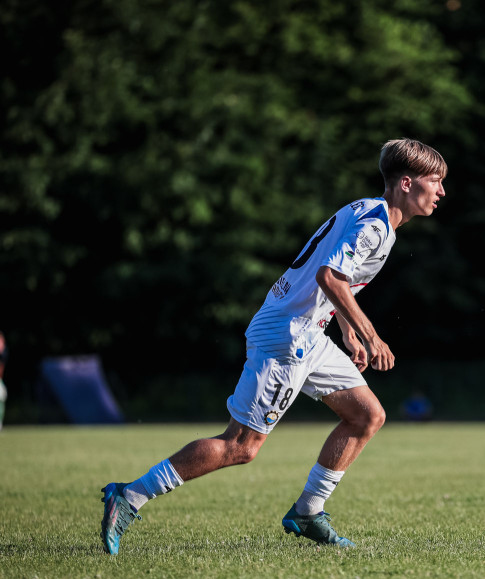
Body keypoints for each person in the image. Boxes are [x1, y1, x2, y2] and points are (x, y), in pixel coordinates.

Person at [100, 139, 447, 554]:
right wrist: (371, 334)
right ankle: (130, 496)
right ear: (407, 183)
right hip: (287, 336)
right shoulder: (375, 226)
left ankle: (307, 512)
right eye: (436, 181)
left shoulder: (368, 212)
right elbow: (329, 277)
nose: (441, 191)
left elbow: (332, 281)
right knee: (241, 446)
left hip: (306, 333)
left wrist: (349, 333)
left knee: (367, 415)